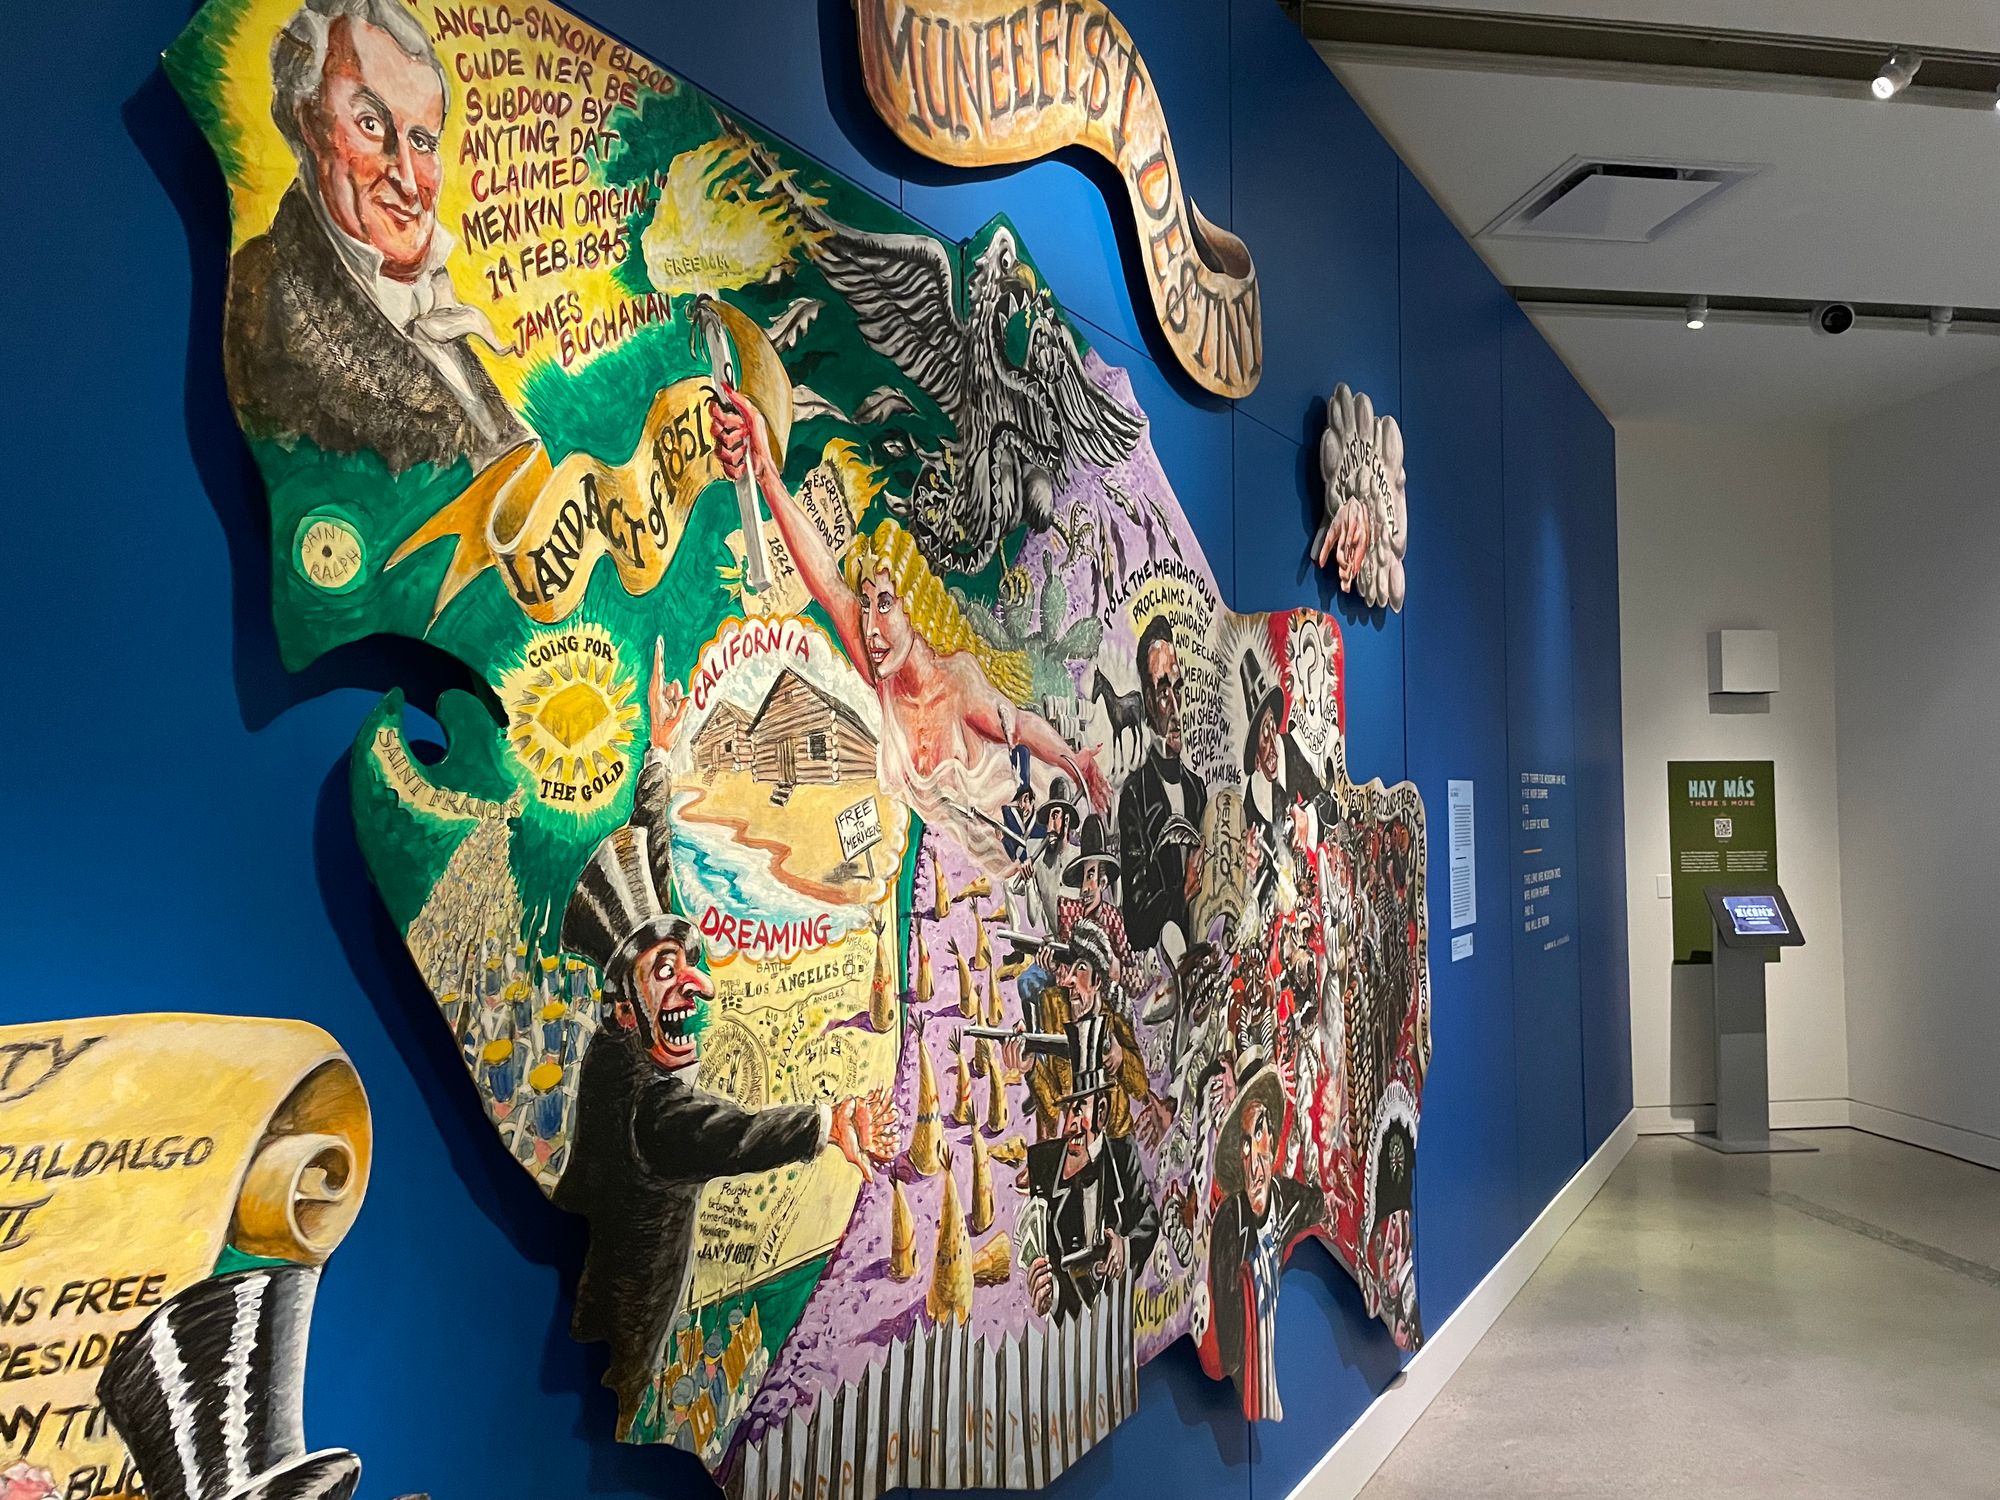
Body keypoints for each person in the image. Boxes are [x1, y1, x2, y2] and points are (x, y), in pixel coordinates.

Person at [554, 640, 901, 1433]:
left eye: (690, 962)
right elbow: (732, 1135)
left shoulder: (618, 1037)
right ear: (624, 1007)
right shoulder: (651, 1114)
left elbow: (652, 883)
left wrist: (659, 754)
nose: (699, 985)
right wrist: (827, 1123)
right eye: (669, 971)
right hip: (627, 1341)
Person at [711, 388, 1106, 869]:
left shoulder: (957, 685)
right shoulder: (883, 674)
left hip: (1030, 843)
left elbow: (1021, 727)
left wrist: (1072, 760)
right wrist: (766, 475)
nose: (871, 629)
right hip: (973, 871)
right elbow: (827, 582)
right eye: (865, 607)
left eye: (884, 605)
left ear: (913, 611)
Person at [225, 0, 528, 474]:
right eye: (370, 124)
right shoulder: (264, 299)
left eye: (422, 141)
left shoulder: (424, 293)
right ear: (310, 122)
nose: (407, 178)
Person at [1017, 1014, 1160, 1322]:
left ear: (1102, 1112)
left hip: (1117, 1319)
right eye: (1068, 1110)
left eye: (1080, 1109)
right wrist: (1049, 1294)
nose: (1070, 1123)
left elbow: (1149, 1222)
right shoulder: (1044, 1166)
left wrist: (1125, 1248)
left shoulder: (1123, 1155)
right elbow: (1047, 1259)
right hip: (1073, 1330)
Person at [1205, 1053, 1325, 1421]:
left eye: (1259, 1134)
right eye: (1244, 1142)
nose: (1253, 1154)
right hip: (1250, 1383)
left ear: (1272, 1139)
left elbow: (1318, 1203)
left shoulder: (1288, 1197)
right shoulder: (1229, 1223)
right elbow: (1229, 1346)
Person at [1012, 921, 1168, 1148]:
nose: (1068, 980)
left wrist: (1120, 1058)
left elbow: (1140, 1087)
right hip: (1075, 1137)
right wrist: (1031, 1069)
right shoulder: (1053, 1007)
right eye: (1070, 970)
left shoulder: (1114, 1017)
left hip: (1113, 1141)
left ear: (1097, 981)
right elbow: (1052, 1105)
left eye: (1081, 970)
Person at [1117, 614, 1208, 957]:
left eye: (1178, 688)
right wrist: (1181, 893)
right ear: (1147, 699)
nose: (1175, 707)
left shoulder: (1197, 790)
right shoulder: (1135, 796)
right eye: (1162, 691)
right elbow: (1136, 921)